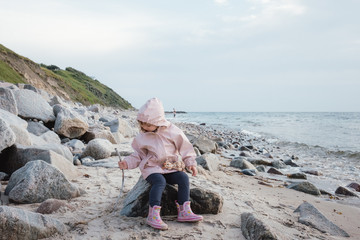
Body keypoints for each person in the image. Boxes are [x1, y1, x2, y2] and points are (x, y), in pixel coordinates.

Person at [118, 98, 203, 230]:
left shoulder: (173, 131)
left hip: (170, 167)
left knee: (183, 177)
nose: (145, 127)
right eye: (142, 124)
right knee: (159, 182)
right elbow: (138, 155)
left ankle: (184, 210)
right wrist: (126, 163)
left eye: (148, 124)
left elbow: (185, 147)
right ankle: (153, 215)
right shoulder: (142, 137)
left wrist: (190, 162)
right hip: (152, 168)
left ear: (158, 121)